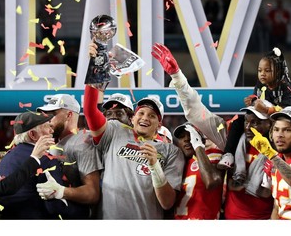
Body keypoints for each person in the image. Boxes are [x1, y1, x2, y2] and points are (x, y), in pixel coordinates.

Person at [152, 43, 275, 219]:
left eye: (258, 121)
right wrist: (177, 76)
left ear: (270, 124)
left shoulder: (281, 145)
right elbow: (196, 112)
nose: (250, 126)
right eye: (247, 120)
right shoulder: (230, 136)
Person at [83, 74, 185, 218]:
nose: (145, 118)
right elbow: (89, 111)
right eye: (141, 113)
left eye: (152, 115)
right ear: (133, 118)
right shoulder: (115, 130)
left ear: (159, 124)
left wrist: (155, 166)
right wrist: (95, 69)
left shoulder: (172, 152)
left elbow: (167, 203)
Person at [0, 111, 89, 219]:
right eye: (46, 127)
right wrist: (84, 212)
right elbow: (55, 207)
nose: (52, 130)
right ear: (33, 135)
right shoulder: (46, 160)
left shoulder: (5, 159)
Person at [218, 47, 291, 170]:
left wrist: (267, 110)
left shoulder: (285, 89)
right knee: (239, 121)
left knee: (266, 149)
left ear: (278, 72)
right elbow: (257, 97)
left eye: (267, 70)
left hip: (275, 124)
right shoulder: (260, 85)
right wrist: (252, 100)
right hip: (259, 119)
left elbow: (289, 110)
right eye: (260, 70)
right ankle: (229, 155)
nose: (262, 74)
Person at [34, 94, 103, 219]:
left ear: (69, 115)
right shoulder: (56, 142)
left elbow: (93, 193)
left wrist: (61, 192)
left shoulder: (82, 142)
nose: (47, 120)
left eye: (52, 114)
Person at [173, 122, 224, 219]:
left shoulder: (213, 155)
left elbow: (211, 182)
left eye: (191, 135)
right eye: (181, 137)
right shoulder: (180, 162)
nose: (186, 139)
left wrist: (198, 147)